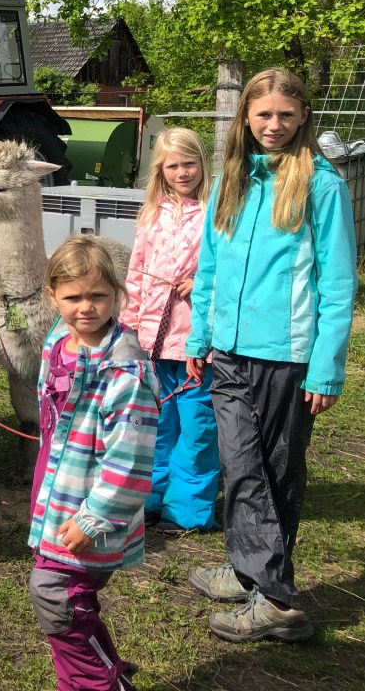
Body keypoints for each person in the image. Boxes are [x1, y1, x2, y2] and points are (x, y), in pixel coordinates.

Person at [185, 67, 357, 643]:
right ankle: (256, 577)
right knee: (242, 465)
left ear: (304, 116)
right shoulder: (232, 179)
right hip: (229, 351)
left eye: (286, 114)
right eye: (263, 115)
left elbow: (337, 284)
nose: (274, 125)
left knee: (274, 470)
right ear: (246, 117)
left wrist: (326, 367)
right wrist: (199, 337)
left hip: (289, 358)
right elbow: (208, 266)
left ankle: (273, 598)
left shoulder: (322, 185)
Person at [29, 236, 158, 691]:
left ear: (116, 296)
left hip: (91, 511)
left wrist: (94, 517)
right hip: (58, 496)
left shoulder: (125, 373)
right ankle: (104, 670)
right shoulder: (59, 343)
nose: (86, 307)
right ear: (52, 296)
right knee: (73, 601)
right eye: (73, 297)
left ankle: (98, 684)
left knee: (57, 597)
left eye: (98, 295)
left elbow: (131, 460)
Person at [124, 127, 219, 533]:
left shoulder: (217, 212)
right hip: (153, 339)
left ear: (202, 163)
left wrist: (201, 285)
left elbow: (228, 270)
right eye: (173, 165)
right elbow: (136, 273)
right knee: (158, 425)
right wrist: (130, 325)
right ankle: (152, 499)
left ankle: (188, 510)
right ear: (161, 170)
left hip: (198, 342)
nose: (182, 172)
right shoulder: (153, 214)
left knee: (197, 426)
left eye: (189, 163)